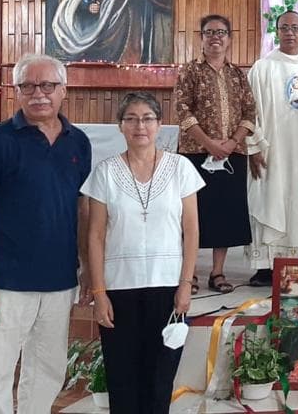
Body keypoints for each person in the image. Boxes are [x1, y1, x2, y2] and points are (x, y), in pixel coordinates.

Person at [0, 53, 92, 414]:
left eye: (48, 85)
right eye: (28, 86)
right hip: (5, 282)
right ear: (17, 91)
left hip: (59, 280)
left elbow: (82, 209)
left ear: (63, 90)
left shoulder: (78, 142)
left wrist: (86, 267)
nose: (39, 94)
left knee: (48, 370)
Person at [82, 92, 202, 413]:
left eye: (148, 118)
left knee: (159, 380)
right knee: (122, 381)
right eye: (131, 118)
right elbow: (94, 236)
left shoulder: (181, 168)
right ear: (120, 126)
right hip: (119, 290)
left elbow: (191, 232)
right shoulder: (105, 172)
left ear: (160, 124)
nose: (140, 126)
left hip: (167, 289)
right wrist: (98, 292)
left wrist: (185, 284)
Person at [174, 14, 257, 294]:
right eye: (209, 32)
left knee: (223, 213)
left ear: (230, 39)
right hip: (196, 154)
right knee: (194, 214)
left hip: (232, 155)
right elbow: (182, 110)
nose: (215, 37)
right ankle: (191, 273)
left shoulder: (237, 74)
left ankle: (217, 272)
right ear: (201, 38)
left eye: (221, 32)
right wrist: (210, 144)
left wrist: (233, 142)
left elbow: (250, 112)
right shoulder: (190, 71)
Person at [245, 10, 298, 287]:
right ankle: (265, 266)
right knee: (269, 198)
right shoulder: (262, 68)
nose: (290, 32)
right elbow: (250, 112)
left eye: (295, 28)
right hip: (271, 151)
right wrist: (253, 147)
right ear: (277, 32)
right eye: (284, 28)